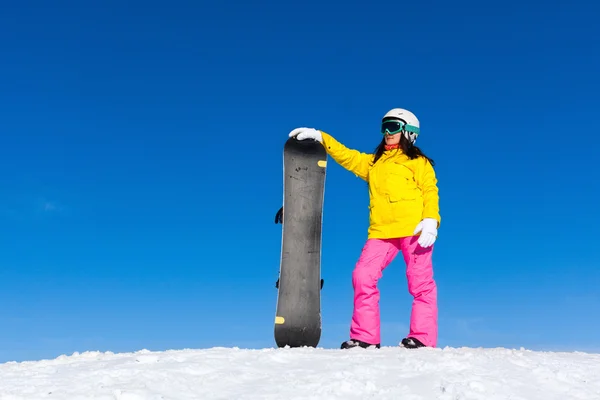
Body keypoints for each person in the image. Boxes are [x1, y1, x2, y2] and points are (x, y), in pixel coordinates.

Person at [288, 108, 440, 350]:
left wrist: (431, 220)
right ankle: (366, 338)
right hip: (381, 232)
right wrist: (321, 137)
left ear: (409, 133)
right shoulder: (373, 163)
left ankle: (422, 337)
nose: (387, 132)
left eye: (393, 126)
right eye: (385, 127)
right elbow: (347, 156)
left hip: (415, 229)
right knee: (362, 276)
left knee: (420, 282)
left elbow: (430, 190)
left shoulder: (418, 163)